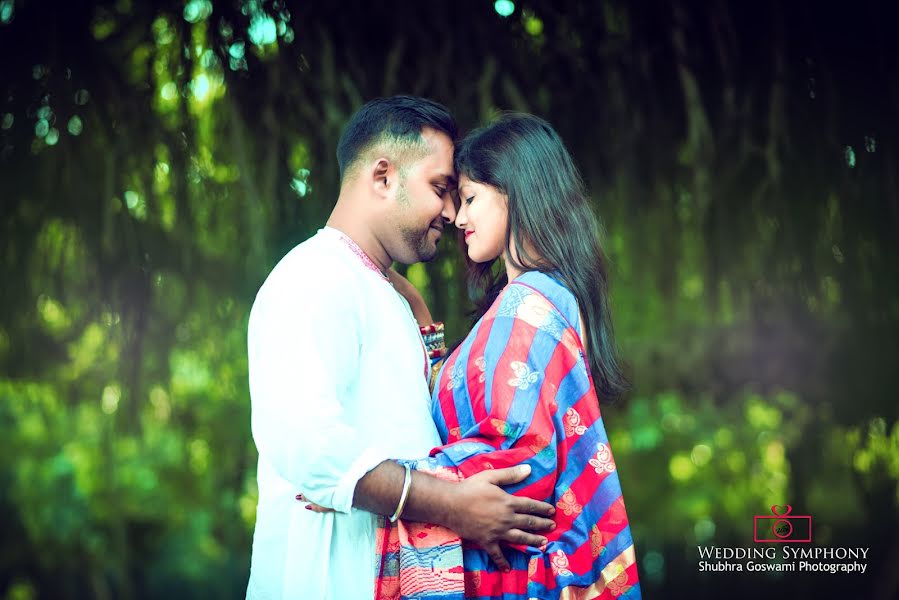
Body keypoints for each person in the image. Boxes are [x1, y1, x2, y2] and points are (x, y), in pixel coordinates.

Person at [245, 97, 556, 600]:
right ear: (383, 177)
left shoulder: (379, 291)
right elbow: (312, 449)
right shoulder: (313, 276)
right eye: (441, 189)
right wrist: (453, 505)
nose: (453, 213)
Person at [373, 113, 641, 599]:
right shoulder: (541, 300)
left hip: (511, 573)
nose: (457, 218)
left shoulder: (527, 305)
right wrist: (420, 311)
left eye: (471, 199)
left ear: (516, 195)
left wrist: (382, 482)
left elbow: (519, 459)